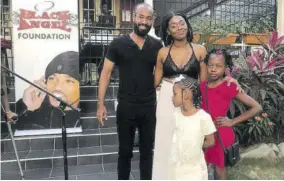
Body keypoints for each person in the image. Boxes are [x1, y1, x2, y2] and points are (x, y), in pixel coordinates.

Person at [152, 11, 241, 179]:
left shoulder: (200, 50)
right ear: (168, 31)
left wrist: (228, 78)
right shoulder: (162, 52)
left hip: (191, 99)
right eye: (173, 25)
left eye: (182, 23)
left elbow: (207, 80)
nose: (179, 27)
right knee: (165, 142)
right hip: (167, 98)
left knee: (191, 139)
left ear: (187, 25)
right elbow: (155, 82)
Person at [96, 3, 163, 180]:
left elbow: (161, 72)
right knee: (125, 151)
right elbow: (105, 73)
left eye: (148, 18)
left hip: (149, 106)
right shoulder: (118, 43)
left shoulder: (157, 46)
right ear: (134, 18)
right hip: (126, 106)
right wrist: (100, 104)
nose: (144, 21)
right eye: (141, 17)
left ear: (153, 21)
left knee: (147, 151)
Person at [201, 49, 262, 180]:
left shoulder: (229, 86)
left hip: (221, 134)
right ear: (206, 65)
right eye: (211, 65)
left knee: (220, 170)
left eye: (218, 66)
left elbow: (256, 107)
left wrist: (232, 122)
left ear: (225, 68)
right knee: (202, 168)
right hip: (204, 134)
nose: (213, 69)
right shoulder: (201, 86)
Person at [15, 51, 80, 130]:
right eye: (52, 78)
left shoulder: (87, 114)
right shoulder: (38, 110)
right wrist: (27, 109)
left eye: (68, 81)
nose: (57, 87)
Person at [169, 77, 216, 179]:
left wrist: (196, 143)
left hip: (195, 169)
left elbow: (211, 141)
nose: (172, 97)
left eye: (175, 94)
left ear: (185, 95)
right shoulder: (175, 114)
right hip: (176, 167)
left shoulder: (203, 118)